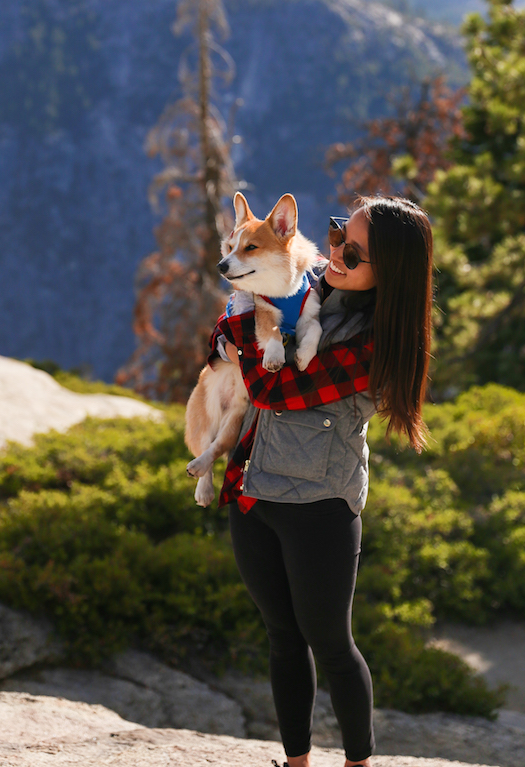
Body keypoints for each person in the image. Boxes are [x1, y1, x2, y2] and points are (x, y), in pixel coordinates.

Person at [214, 195, 433, 767]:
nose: (336, 252)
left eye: (354, 252)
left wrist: (241, 334)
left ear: (391, 273)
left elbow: (273, 390)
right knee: (282, 639)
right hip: (252, 488)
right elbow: (229, 316)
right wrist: (237, 325)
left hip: (319, 508)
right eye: (339, 233)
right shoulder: (306, 278)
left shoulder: (376, 340)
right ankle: (296, 762)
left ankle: (358, 762)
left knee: (332, 646)